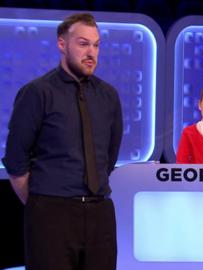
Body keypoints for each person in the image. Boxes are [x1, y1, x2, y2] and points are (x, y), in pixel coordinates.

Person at [2, 13, 123, 269]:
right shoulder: (37, 93)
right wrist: (42, 201)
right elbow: (15, 160)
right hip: (51, 214)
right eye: (82, 43)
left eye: (96, 44)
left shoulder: (109, 96)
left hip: (100, 214)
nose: (91, 52)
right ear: (62, 44)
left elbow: (109, 158)